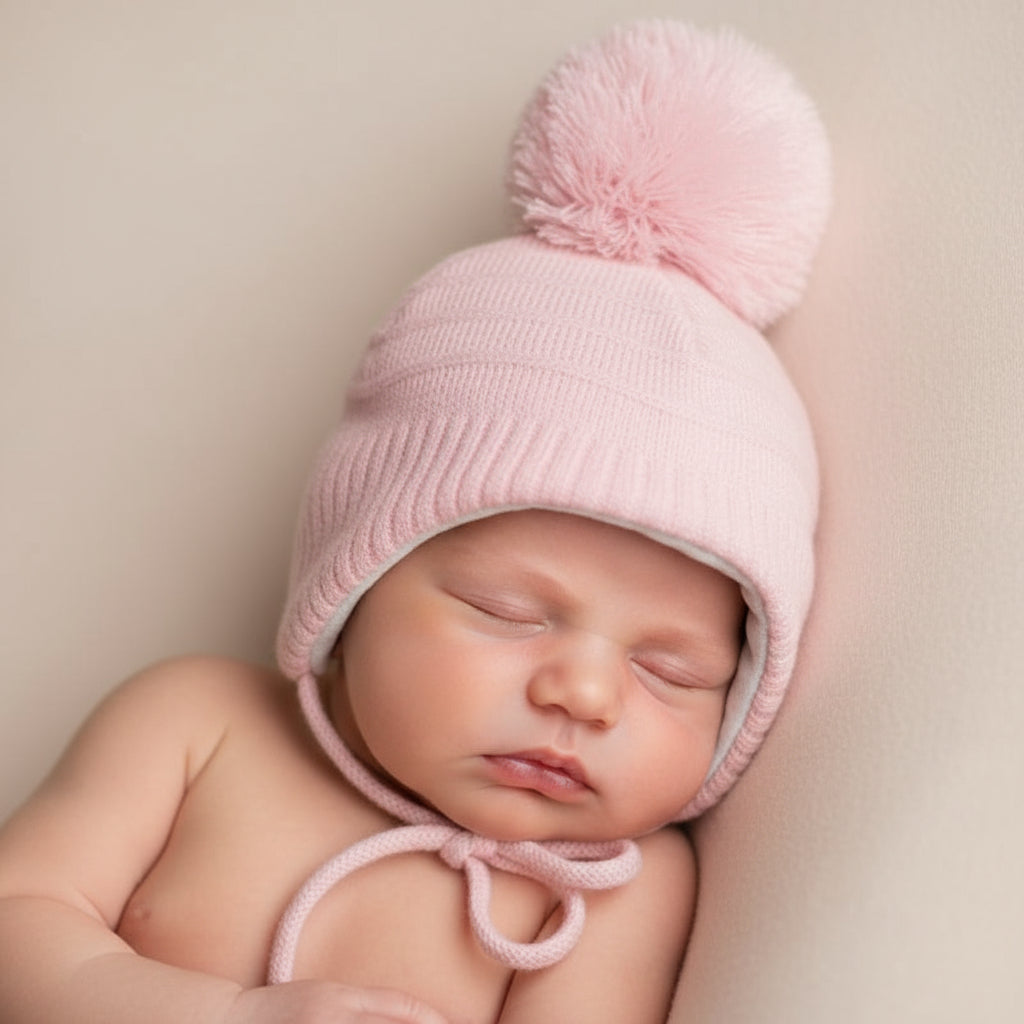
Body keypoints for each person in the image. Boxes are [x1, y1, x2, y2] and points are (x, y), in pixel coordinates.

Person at [0, 19, 830, 1024]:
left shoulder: (613, 889)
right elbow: (21, 913)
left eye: (674, 671)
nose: (582, 691)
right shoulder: (194, 724)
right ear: (354, 577)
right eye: (509, 609)